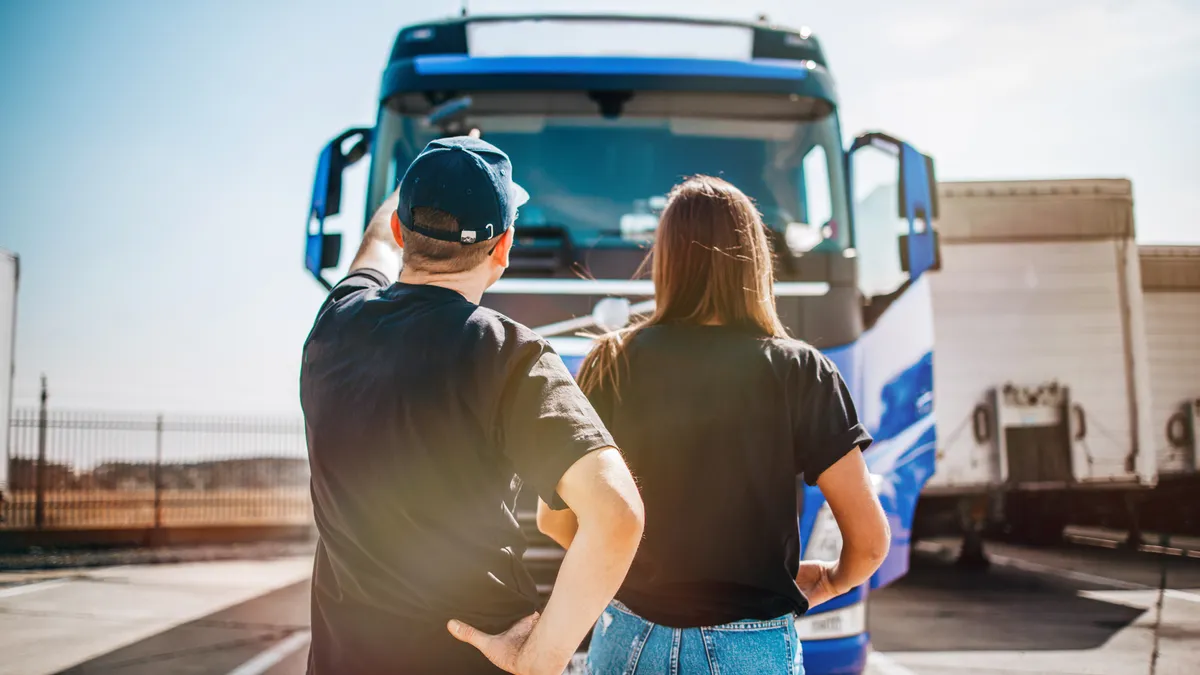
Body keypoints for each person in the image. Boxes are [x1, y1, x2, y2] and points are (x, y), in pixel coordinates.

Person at [300, 134, 644, 675]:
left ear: (400, 228)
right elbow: (617, 514)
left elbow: (374, 249)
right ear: (503, 248)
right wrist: (541, 658)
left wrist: (424, 175)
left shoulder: (335, 323)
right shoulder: (509, 353)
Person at [538, 176, 891, 674]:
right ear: (755, 257)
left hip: (628, 637)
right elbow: (871, 541)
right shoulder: (802, 371)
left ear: (667, 260)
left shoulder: (609, 362)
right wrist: (832, 580)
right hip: (752, 649)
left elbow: (554, 519)